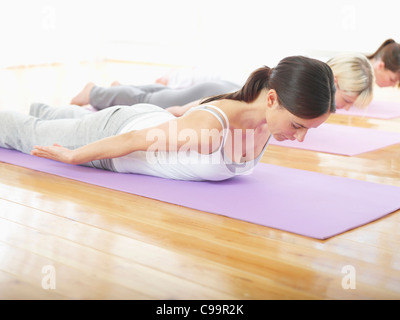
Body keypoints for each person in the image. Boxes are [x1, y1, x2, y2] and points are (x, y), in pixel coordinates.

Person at [0, 56, 336, 182]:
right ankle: (45, 119)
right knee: (28, 134)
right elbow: (132, 141)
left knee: (64, 120)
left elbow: (191, 107)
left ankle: (48, 109)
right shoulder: (209, 132)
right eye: (298, 125)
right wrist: (74, 156)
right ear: (273, 100)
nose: (301, 137)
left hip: (148, 119)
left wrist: (176, 114)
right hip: (118, 136)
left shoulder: (258, 110)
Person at [70, 80, 241, 111]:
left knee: (167, 94)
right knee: (148, 101)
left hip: (222, 88)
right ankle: (93, 92)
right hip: (215, 93)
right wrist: (180, 111)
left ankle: (122, 87)